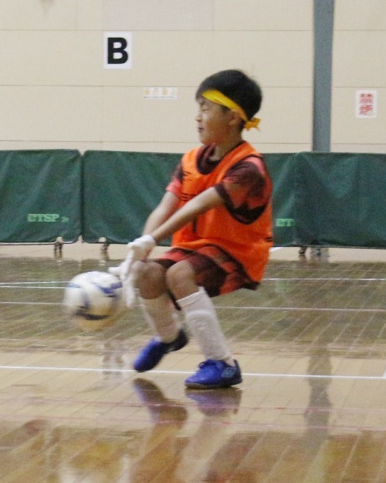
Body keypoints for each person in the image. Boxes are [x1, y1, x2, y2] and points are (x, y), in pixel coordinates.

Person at [116, 69, 271, 390]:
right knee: (146, 273)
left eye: (205, 108)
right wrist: (140, 248)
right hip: (194, 248)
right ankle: (169, 337)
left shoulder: (249, 168)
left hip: (236, 251)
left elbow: (197, 205)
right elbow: (166, 206)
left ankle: (223, 364)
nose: (198, 117)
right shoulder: (190, 160)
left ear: (232, 117)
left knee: (178, 275)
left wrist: (154, 238)